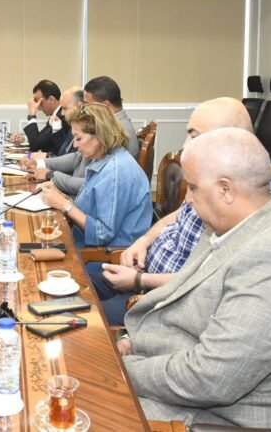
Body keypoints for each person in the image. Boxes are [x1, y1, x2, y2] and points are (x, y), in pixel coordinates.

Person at [119, 128, 271, 429]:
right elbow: (182, 307)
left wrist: (121, 368)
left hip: (216, 418)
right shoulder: (233, 227)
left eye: (193, 188)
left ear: (225, 190)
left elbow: (209, 379)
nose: (188, 200)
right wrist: (130, 343)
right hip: (170, 377)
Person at [97, 97, 257, 325]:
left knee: (82, 317)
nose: (184, 144)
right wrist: (143, 241)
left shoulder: (239, 201)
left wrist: (140, 280)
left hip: (164, 301)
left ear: (230, 142)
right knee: (75, 287)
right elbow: (178, 215)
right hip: (142, 274)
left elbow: (205, 281)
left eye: (194, 135)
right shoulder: (208, 180)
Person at [40, 103, 151, 251]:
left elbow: (102, 234)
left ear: (99, 136)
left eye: (78, 138)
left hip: (107, 257)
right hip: (89, 246)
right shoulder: (104, 159)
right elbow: (92, 207)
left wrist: (65, 205)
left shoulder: (115, 172)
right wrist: (61, 197)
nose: (75, 145)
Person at [84, 76, 139, 158]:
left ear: (105, 106)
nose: (85, 110)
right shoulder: (117, 124)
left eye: (88, 105)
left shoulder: (117, 132)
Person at [22, 80, 69, 154]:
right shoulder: (56, 114)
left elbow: (35, 146)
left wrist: (31, 114)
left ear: (51, 100)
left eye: (40, 103)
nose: (38, 108)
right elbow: (41, 138)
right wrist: (24, 139)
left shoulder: (61, 117)